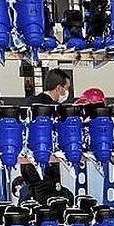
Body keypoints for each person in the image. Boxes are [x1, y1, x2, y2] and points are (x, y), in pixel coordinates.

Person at [21, 68, 73, 204]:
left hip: (27, 164)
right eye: (66, 88)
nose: (66, 92)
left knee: (31, 201)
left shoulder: (29, 102)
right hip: (46, 165)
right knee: (49, 205)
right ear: (58, 88)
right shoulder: (55, 109)